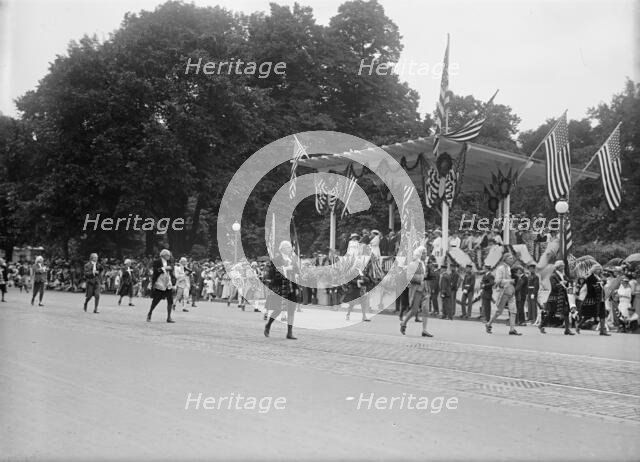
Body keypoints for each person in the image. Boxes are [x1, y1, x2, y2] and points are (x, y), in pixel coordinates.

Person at [264, 241, 300, 340]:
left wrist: (294, 268)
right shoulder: (276, 259)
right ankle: (268, 325)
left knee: (291, 310)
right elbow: (272, 273)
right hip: (281, 288)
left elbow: (297, 270)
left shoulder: (292, 259)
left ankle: (289, 332)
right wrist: (286, 268)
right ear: (283, 249)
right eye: (288, 247)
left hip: (291, 287)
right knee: (278, 310)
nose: (290, 249)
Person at [400, 246, 433, 337]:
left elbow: (426, 276)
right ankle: (404, 322)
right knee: (414, 311)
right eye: (424, 253)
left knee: (426, 309)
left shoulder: (424, 264)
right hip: (416, 289)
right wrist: (421, 278)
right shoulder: (412, 264)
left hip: (424, 289)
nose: (426, 254)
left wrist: (429, 275)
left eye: (426, 253)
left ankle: (424, 330)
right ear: (419, 254)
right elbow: (409, 277)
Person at [485, 252, 521, 335]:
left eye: (512, 258)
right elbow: (497, 281)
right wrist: (510, 280)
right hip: (503, 292)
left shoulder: (509, 268)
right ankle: (488, 324)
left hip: (511, 291)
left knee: (513, 311)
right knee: (499, 312)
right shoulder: (500, 268)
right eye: (510, 258)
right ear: (505, 259)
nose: (512, 260)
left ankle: (512, 329)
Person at [540, 260, 575, 335]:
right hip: (555, 297)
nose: (563, 267)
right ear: (558, 267)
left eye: (563, 266)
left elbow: (568, 282)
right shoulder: (553, 276)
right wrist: (561, 283)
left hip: (563, 296)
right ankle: (541, 325)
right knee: (551, 313)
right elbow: (554, 286)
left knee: (566, 312)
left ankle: (567, 329)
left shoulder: (564, 275)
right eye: (562, 266)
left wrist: (568, 283)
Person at [147, 249, 175, 323]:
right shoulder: (157, 261)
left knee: (170, 300)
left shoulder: (169, 262)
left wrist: (169, 268)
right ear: (164, 255)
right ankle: (150, 313)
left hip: (168, 283)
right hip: (160, 282)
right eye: (168, 255)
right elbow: (156, 271)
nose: (169, 256)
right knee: (156, 300)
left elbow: (172, 267)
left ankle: (169, 317)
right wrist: (165, 268)